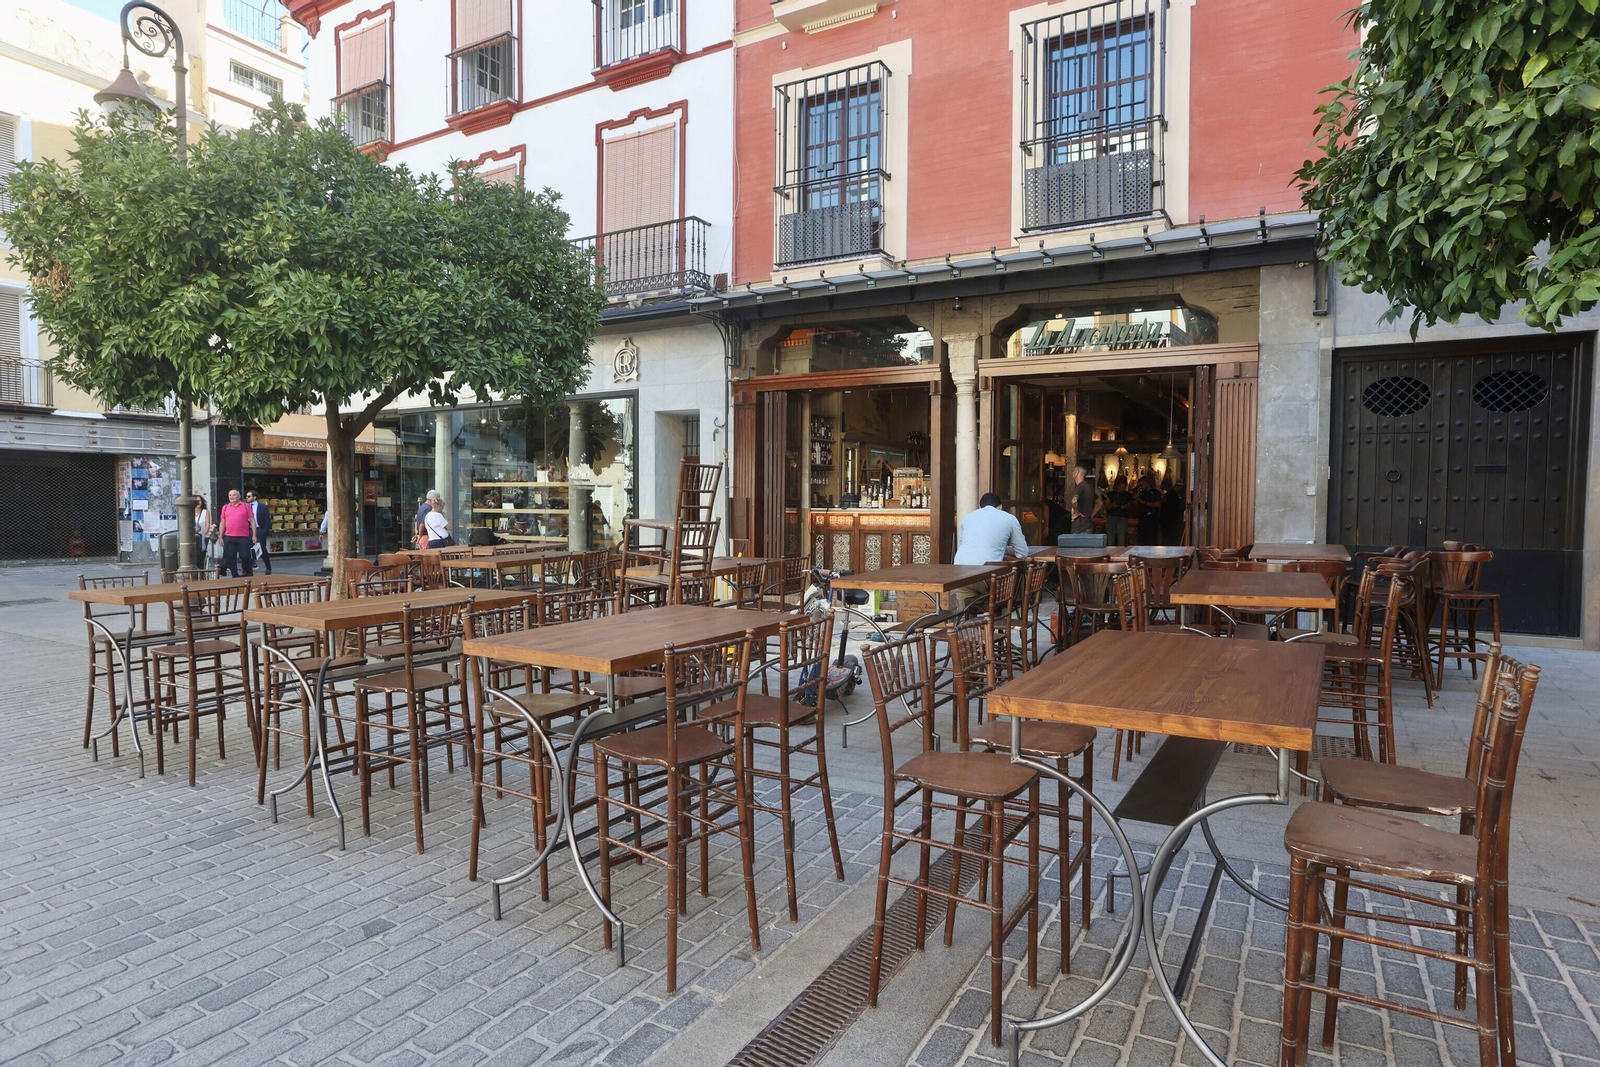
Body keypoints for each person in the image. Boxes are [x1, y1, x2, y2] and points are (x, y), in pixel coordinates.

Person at [952, 492, 1027, 609]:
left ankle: (962, 624)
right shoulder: (1009, 518)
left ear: (980, 507)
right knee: (999, 600)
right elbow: (1022, 553)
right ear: (1000, 507)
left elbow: (964, 545)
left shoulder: (968, 517)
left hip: (960, 573)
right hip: (985, 576)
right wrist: (1004, 549)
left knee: (964, 611)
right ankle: (995, 621)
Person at [217, 488, 257, 577]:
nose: (231, 497)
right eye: (230, 495)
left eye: (234, 495)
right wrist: (220, 536)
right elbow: (222, 522)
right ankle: (234, 574)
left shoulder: (246, 506)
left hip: (243, 536)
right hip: (229, 536)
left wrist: (254, 535)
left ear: (239, 496)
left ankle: (248, 572)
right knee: (231, 557)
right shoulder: (225, 507)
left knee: (244, 555)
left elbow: (252, 521)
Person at [245, 489, 273, 575]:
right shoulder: (245, 506)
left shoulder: (262, 507)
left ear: (255, 497)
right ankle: (249, 569)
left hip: (259, 529)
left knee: (262, 549)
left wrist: (264, 531)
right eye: (246, 496)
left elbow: (267, 520)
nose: (247, 498)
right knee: (247, 550)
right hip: (248, 530)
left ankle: (268, 567)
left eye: (249, 496)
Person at [1069, 462, 1100, 535]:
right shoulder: (1089, 487)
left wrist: (1076, 512)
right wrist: (1091, 515)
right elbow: (1099, 502)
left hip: (1079, 527)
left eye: (1074, 471)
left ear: (1077, 472)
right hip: (1088, 525)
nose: (1072, 472)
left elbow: (1074, 501)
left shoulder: (1080, 486)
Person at [1134, 473, 1164, 545]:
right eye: (1139, 486)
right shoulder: (1141, 493)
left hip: (1152, 519)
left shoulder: (1155, 492)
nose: (1140, 487)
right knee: (1141, 539)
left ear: (1147, 484)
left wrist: (1145, 503)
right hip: (1142, 518)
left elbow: (1158, 504)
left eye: (1142, 485)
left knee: (1151, 539)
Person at [1104, 474, 1133, 546]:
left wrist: (1126, 506)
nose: (1122, 489)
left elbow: (1130, 506)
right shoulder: (1111, 494)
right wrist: (1112, 505)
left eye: (1123, 487)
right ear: (1117, 485)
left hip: (1123, 517)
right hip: (1112, 517)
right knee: (1110, 540)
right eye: (1120, 487)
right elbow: (1107, 506)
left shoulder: (1128, 495)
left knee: (1121, 540)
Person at [1160, 476, 1186, 545]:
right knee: (1170, 537)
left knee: (1172, 536)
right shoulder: (1170, 493)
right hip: (1169, 519)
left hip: (1173, 518)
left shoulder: (1175, 494)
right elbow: (1161, 502)